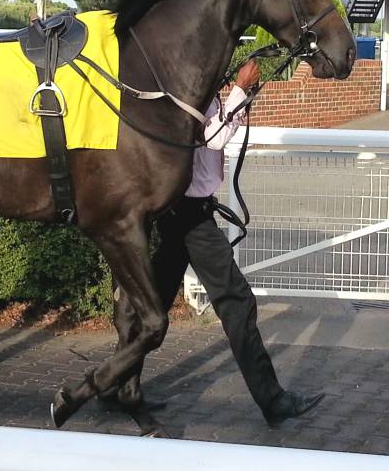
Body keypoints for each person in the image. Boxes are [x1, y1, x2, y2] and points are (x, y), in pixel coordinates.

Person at [112, 59, 324, 428]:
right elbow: (213, 138)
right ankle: (273, 401)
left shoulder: (198, 84)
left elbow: (215, 131)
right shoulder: (184, 87)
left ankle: (116, 385)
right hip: (190, 216)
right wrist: (240, 88)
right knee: (236, 301)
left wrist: (240, 95)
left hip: (187, 211)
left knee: (153, 305)